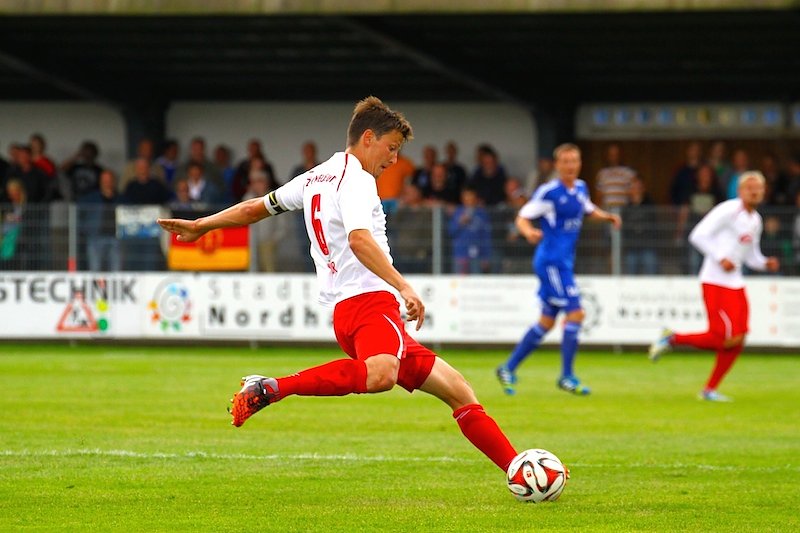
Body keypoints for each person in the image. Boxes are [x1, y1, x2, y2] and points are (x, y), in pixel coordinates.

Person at [157, 96, 519, 474]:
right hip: (371, 302)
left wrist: (202, 226)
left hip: (349, 312)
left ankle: (517, 468)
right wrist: (405, 287)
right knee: (381, 376)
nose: (394, 159)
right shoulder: (357, 181)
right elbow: (361, 240)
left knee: (459, 391)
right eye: (391, 147)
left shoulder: (316, 176)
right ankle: (272, 387)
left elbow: (255, 208)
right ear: (368, 138)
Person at [495, 143, 622, 396]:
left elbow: (588, 209)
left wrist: (607, 216)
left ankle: (507, 368)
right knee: (576, 314)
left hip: (564, 262)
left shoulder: (581, 188)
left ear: (579, 163)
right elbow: (522, 216)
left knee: (547, 321)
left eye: (574, 161)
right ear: (557, 165)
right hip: (551, 262)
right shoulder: (549, 192)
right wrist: (528, 231)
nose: (570, 166)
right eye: (565, 162)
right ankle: (567, 376)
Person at [648, 171, 780, 402]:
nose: (755, 191)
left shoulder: (755, 220)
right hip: (715, 281)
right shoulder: (728, 210)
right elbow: (697, 235)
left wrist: (765, 263)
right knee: (723, 338)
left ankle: (709, 389)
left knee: (738, 337)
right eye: (750, 187)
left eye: (759, 187)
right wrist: (720, 258)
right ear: (740, 191)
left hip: (736, 284)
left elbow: (750, 256)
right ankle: (672, 338)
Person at [448, 186, 493, 275]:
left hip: (477, 255)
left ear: (476, 199)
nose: (469, 201)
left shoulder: (482, 214)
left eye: (471, 198)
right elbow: (451, 232)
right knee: (460, 282)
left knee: (476, 282)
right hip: (460, 254)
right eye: (466, 198)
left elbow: (486, 237)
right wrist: (460, 223)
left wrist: (486, 257)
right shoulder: (457, 212)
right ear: (462, 199)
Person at [594, 143, 635, 210]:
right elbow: (598, 197)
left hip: (624, 211)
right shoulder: (601, 174)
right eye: (611, 154)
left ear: (621, 155)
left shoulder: (629, 173)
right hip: (607, 211)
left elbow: (634, 195)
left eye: (616, 154)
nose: (614, 157)